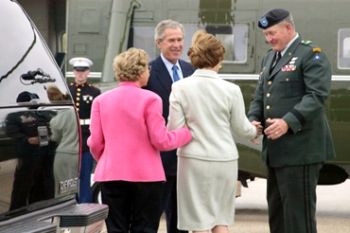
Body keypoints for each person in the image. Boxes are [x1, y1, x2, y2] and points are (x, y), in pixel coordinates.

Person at [247, 8, 335, 233]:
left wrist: (287, 121)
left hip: (300, 150)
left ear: (288, 28)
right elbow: (261, 95)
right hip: (276, 151)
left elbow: (316, 96)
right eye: (266, 35)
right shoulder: (269, 57)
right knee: (278, 216)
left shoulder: (310, 54)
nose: (269, 39)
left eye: (272, 33)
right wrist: (253, 120)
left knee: (298, 219)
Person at [87, 47, 192, 233]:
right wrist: (186, 133)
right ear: (141, 71)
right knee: (144, 228)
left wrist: (107, 158)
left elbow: (95, 143)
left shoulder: (101, 101)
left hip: (111, 174)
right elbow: (161, 141)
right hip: (147, 176)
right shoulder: (151, 99)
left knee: (116, 227)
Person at [167, 30, 260, 233]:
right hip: (225, 160)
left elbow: (174, 129)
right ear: (219, 58)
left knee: (198, 221)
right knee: (220, 220)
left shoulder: (179, 87)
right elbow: (242, 128)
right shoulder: (231, 89)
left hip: (193, 160)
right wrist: (254, 131)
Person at [144, 19, 195, 233]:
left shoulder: (190, 69)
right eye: (171, 40)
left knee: (181, 217)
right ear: (159, 43)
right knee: (152, 215)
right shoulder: (148, 72)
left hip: (186, 154)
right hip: (158, 156)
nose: (177, 45)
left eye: (180, 40)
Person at [68, 57, 101, 203]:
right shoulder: (67, 90)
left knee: (85, 174)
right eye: (77, 71)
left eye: (83, 71)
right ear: (73, 72)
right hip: (70, 137)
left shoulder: (94, 91)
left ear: (88, 72)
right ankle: (71, 201)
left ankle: (85, 202)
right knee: (70, 175)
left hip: (87, 136)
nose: (80, 74)